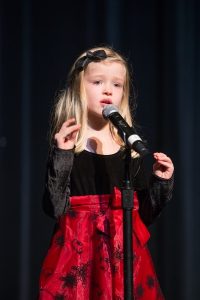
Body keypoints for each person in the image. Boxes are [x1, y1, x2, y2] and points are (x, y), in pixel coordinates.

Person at [38, 46, 174, 300]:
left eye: (117, 84)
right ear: (79, 87)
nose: (108, 90)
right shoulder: (69, 144)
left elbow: (143, 215)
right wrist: (62, 156)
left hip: (122, 253)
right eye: (98, 82)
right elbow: (54, 207)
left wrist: (160, 182)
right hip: (79, 252)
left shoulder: (127, 147)